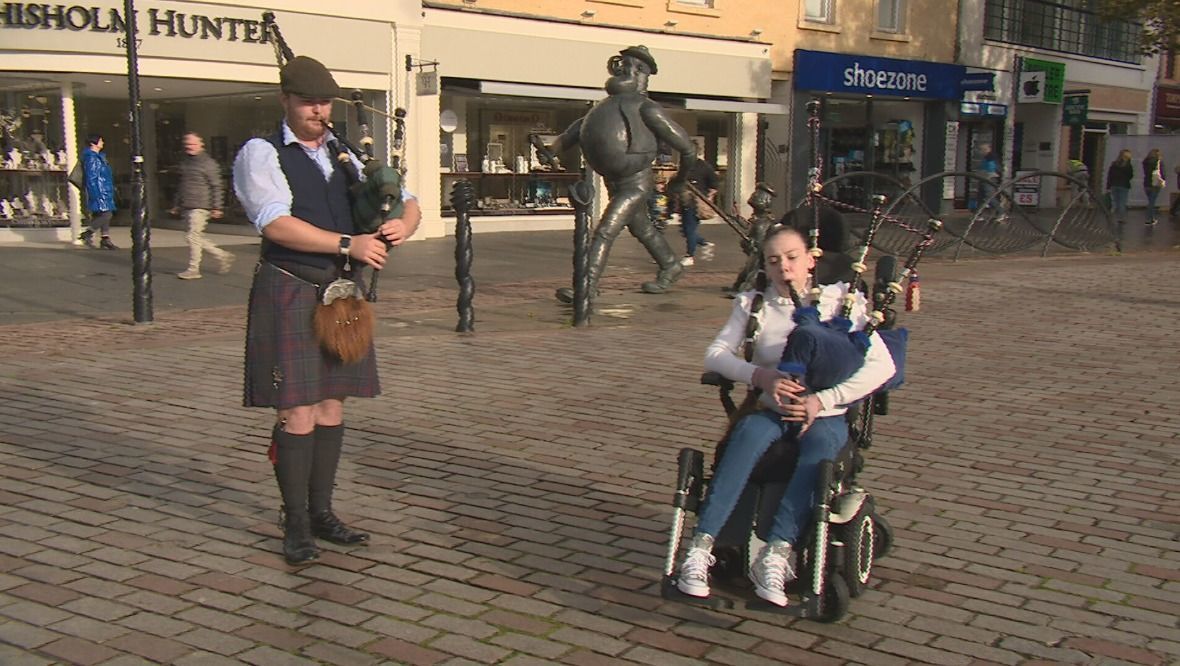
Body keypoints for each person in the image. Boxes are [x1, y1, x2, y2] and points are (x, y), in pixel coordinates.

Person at [232, 55, 422, 566]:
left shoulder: (345, 154)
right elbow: (274, 223)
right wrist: (348, 243)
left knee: (333, 402)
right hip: (291, 287)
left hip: (342, 294)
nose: (319, 110)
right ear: (285, 101)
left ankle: (321, 512)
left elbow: (409, 199)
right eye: (308, 101)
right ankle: (294, 522)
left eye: (324, 102)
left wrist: (404, 222)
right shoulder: (262, 153)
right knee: (297, 408)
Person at [675, 225, 895, 607]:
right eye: (773, 260)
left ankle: (778, 551)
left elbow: (882, 367)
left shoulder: (842, 304)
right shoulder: (754, 305)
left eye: (792, 257)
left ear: (811, 259)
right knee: (744, 440)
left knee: (820, 452)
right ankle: (701, 546)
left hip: (823, 412)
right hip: (771, 408)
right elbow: (716, 354)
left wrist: (823, 401)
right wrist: (760, 376)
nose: (784, 267)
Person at [543, 45, 698, 302]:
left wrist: (679, 182)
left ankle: (587, 287)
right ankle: (670, 264)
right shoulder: (604, 107)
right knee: (643, 229)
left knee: (605, 230)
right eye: (623, 64)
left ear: (643, 75)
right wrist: (554, 149)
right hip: (613, 181)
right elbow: (575, 130)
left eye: (634, 67)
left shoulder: (647, 108)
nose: (626, 70)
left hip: (635, 183)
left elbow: (688, 149)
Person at [171, 132, 232, 279]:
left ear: (201, 144)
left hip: (201, 205)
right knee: (193, 237)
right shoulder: (186, 162)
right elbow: (182, 185)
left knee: (193, 236)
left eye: (193, 144)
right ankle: (222, 255)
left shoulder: (208, 164)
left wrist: (217, 207)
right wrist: (177, 204)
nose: (190, 147)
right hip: (187, 204)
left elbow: (217, 186)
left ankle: (194, 269)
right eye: (187, 144)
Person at [677, 141, 718, 267]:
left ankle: (690, 255)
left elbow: (714, 185)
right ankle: (704, 243)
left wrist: (708, 199)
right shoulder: (683, 165)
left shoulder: (704, 166)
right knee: (685, 230)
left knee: (690, 229)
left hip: (695, 203)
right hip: (683, 200)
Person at [80, 133, 117, 250]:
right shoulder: (92, 158)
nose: (102, 143)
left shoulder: (98, 157)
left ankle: (105, 238)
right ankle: (88, 232)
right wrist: (95, 193)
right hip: (100, 190)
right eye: (100, 141)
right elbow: (92, 177)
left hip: (104, 188)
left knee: (104, 213)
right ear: (93, 143)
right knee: (107, 214)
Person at [1105, 149, 1133, 223]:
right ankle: (1121, 218)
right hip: (1124, 185)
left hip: (1114, 185)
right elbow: (1130, 176)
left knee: (1114, 202)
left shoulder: (1114, 164)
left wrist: (1108, 186)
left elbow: (1110, 175)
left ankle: (1110, 216)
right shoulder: (1128, 165)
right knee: (1122, 202)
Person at [976, 144, 1003, 218]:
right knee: (980, 197)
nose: (982, 151)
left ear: (988, 149)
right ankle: (978, 214)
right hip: (984, 178)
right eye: (981, 149)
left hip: (989, 179)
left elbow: (990, 169)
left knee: (989, 196)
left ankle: (1001, 212)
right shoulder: (987, 157)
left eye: (983, 149)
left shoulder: (990, 157)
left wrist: (982, 173)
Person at [1142, 148, 1165, 225]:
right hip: (1155, 184)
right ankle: (1148, 219)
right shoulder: (1158, 162)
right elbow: (1161, 173)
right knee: (1152, 202)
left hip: (1146, 184)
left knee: (1150, 201)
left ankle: (1151, 218)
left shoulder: (1145, 162)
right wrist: (1163, 181)